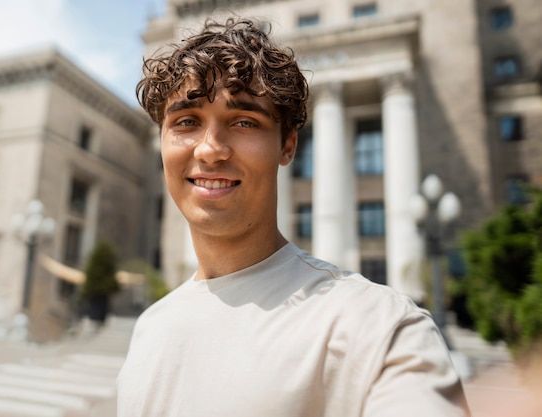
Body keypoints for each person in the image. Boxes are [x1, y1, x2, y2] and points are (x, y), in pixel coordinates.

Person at [118, 17, 470, 417]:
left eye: (244, 121)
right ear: (162, 143)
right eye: (186, 122)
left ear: (288, 147)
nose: (210, 150)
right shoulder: (150, 327)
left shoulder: (379, 329)